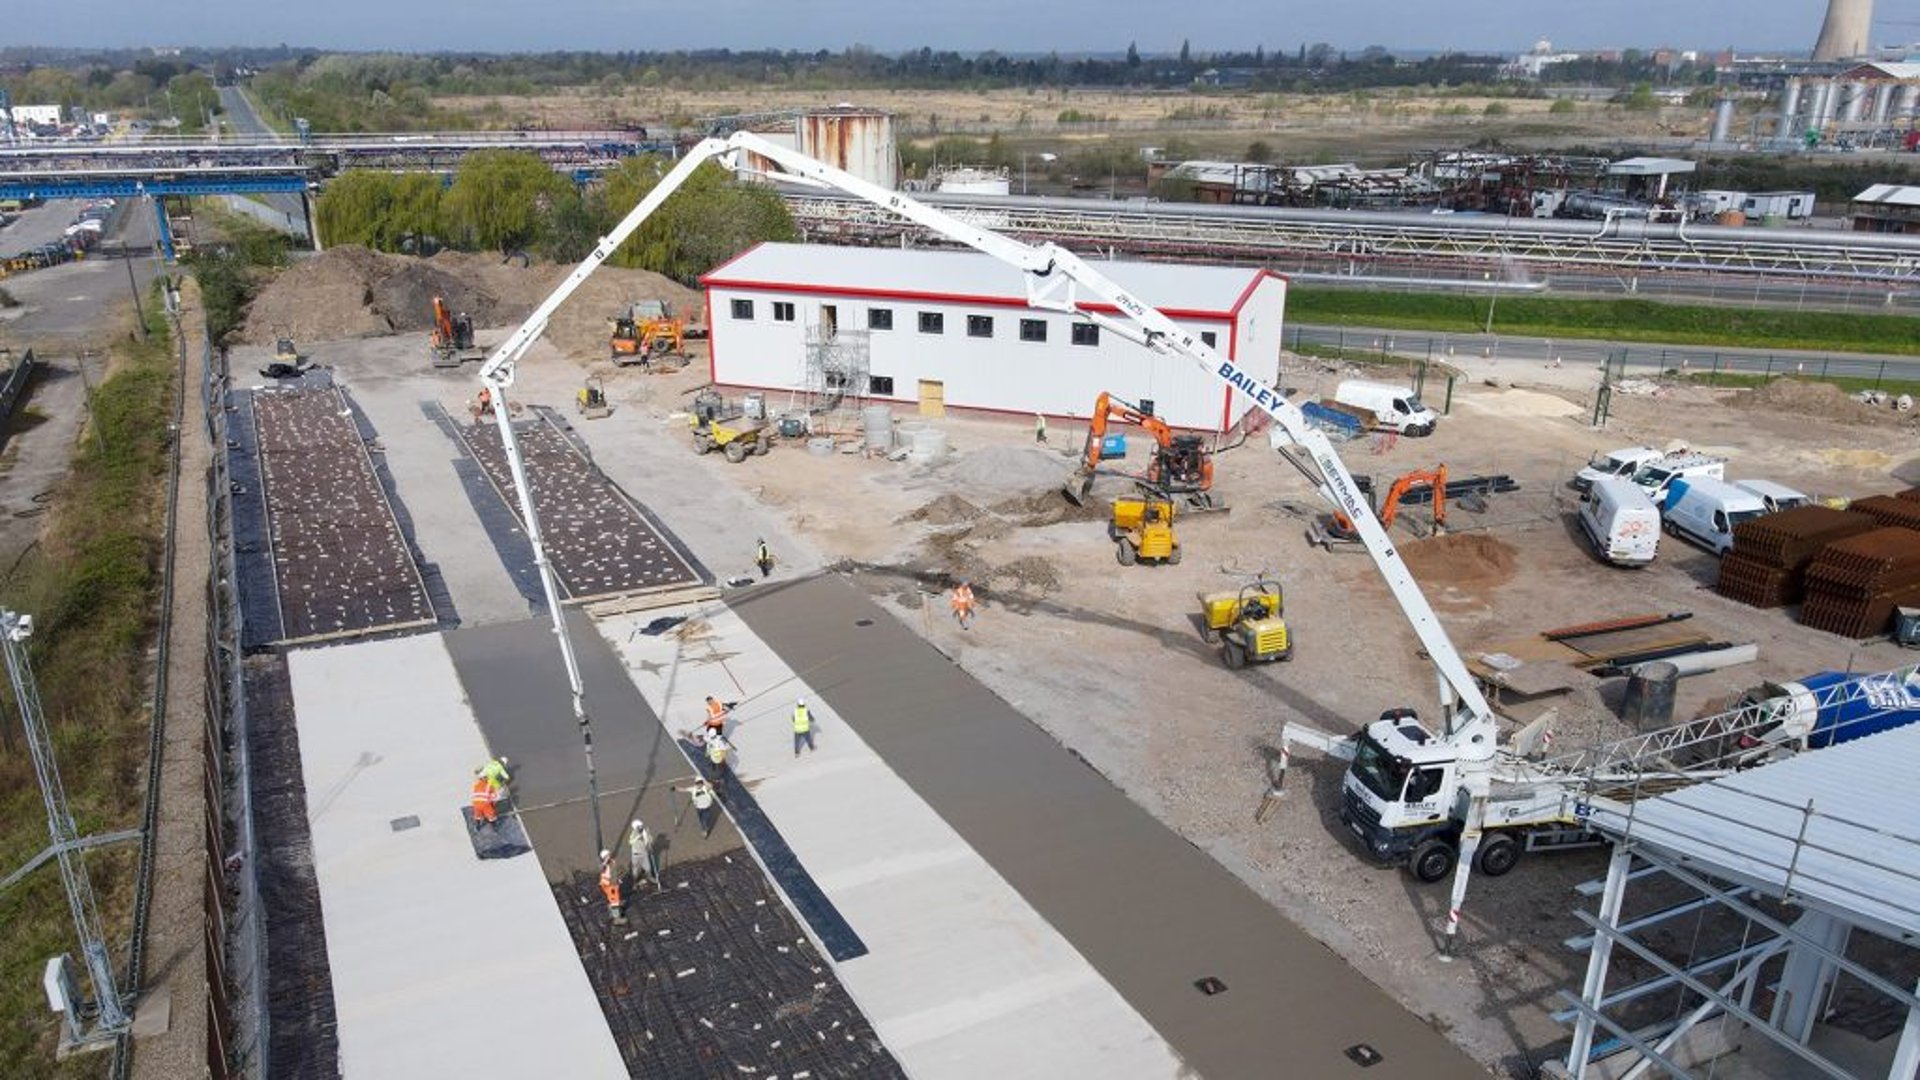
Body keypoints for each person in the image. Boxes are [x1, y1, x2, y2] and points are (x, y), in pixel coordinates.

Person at [628, 819, 657, 889]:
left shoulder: (645, 832)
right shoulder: (633, 834)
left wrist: (649, 838)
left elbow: (649, 840)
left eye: (641, 826)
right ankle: (634, 883)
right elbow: (631, 842)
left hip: (644, 853)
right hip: (636, 855)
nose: (641, 827)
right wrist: (638, 837)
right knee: (635, 871)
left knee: (648, 868)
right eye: (639, 826)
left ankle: (650, 878)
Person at [599, 850, 625, 925]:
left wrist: (618, 879)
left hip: (613, 883)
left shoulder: (612, 862)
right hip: (609, 886)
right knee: (615, 901)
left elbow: (614, 872)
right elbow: (602, 868)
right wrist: (605, 862)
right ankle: (617, 918)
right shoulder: (604, 865)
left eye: (608, 855)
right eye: (606, 856)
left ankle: (612, 908)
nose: (609, 856)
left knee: (614, 899)